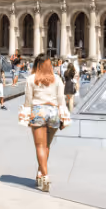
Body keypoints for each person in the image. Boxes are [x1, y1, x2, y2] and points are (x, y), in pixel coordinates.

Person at [20, 54, 67, 193]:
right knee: (46, 146)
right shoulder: (57, 79)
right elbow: (61, 100)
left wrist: (27, 116)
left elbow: (28, 100)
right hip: (53, 112)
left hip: (38, 110)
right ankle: (40, 173)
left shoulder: (30, 79)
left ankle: (45, 176)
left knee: (40, 146)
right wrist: (64, 117)